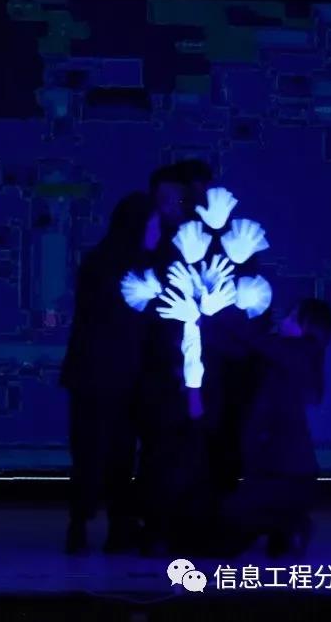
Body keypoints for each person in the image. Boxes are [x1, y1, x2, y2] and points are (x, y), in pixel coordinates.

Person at [179, 298, 331, 558]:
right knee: (224, 532)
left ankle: (288, 521)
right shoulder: (287, 355)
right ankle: (284, 523)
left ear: (308, 326)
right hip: (277, 472)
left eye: (292, 316)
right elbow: (246, 345)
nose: (284, 319)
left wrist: (214, 311)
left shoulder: (299, 353)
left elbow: (253, 339)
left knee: (226, 524)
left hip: (287, 476)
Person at [61, 192, 155, 555]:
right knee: (115, 453)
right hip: (116, 374)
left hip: (94, 374)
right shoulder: (129, 266)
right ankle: (114, 526)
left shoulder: (100, 260)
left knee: (92, 452)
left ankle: (84, 524)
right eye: (152, 225)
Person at [136, 161, 217, 555]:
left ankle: (179, 526)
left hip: (188, 363)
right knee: (164, 447)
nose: (169, 205)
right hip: (165, 366)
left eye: (175, 198)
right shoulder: (157, 246)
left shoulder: (191, 244)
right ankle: (162, 526)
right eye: (162, 199)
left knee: (185, 447)